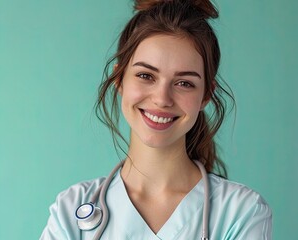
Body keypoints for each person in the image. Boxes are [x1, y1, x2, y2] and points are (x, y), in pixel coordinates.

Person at [40, 0, 272, 239]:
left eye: (184, 83)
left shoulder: (242, 212)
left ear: (206, 96)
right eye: (145, 75)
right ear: (120, 80)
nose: (162, 99)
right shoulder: (71, 210)